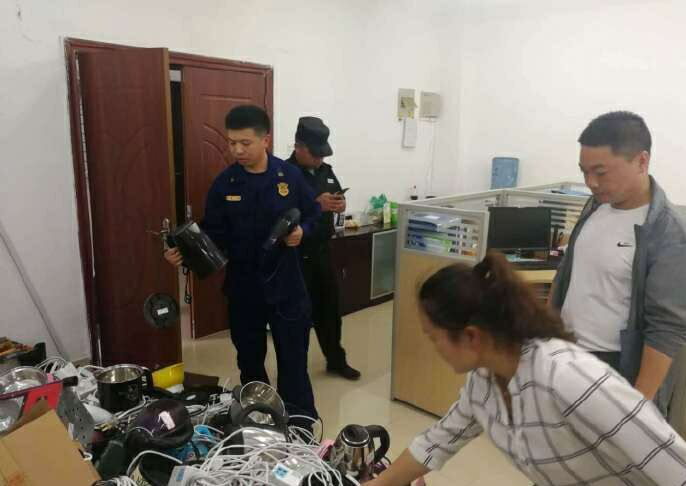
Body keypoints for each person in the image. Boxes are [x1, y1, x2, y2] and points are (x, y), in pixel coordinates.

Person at [367, 252, 686, 486]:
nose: (433, 348)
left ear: (471, 336)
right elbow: (438, 440)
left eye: (433, 337)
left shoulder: (569, 379)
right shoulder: (484, 380)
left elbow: (675, 466)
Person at [164, 105, 320, 418]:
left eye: (244, 143)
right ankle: (257, 416)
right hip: (244, 287)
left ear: (265, 140)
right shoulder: (225, 184)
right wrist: (182, 253)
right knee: (249, 360)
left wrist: (302, 231)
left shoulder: (290, 176)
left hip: (286, 286)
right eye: (231, 142)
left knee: (293, 360)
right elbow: (212, 234)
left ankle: (300, 422)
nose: (236, 150)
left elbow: (314, 214)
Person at [551, 111, 686, 418]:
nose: (591, 183)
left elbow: (666, 327)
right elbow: (566, 276)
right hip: (567, 354)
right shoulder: (595, 206)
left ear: (641, 161)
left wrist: (638, 406)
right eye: (584, 172)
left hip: (615, 368)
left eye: (601, 172)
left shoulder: (668, 232)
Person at [285, 117, 361, 380]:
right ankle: (296, 370)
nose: (320, 159)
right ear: (298, 147)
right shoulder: (284, 174)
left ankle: (336, 360)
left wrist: (340, 204)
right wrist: (316, 204)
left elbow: (336, 196)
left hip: (322, 252)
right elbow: (280, 214)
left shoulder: (325, 171)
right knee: (298, 317)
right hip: (295, 256)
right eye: (315, 154)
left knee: (330, 311)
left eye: (322, 154)